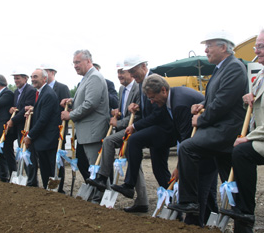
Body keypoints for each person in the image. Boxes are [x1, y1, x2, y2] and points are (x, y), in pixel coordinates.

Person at [168, 30, 248, 217]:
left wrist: (201, 119)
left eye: (209, 46)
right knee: (228, 174)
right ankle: (238, 212)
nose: (205, 50)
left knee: (187, 148)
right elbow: (215, 97)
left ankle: (189, 202)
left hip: (227, 130)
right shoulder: (222, 68)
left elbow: (222, 103)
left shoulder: (234, 68)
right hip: (219, 129)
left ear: (223, 47)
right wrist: (202, 104)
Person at [143, 74, 217, 226]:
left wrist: (179, 167)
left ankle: (193, 223)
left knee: (198, 187)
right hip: (203, 143)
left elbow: (186, 139)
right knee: (207, 189)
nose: (151, 101)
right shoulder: (172, 99)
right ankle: (210, 221)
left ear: (163, 90)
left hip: (206, 145)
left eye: (152, 97)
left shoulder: (180, 104)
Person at [111, 55, 174, 212]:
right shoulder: (141, 83)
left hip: (163, 130)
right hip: (154, 131)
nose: (132, 76)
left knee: (134, 140)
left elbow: (158, 113)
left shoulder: (154, 80)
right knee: (159, 170)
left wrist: (136, 126)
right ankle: (173, 204)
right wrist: (137, 106)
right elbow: (148, 105)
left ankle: (129, 184)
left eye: (133, 71)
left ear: (143, 66)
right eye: (130, 72)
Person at [220, 29, 264, 233]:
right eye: (257, 46)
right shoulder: (262, 72)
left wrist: (248, 138)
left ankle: (245, 211)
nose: (257, 51)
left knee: (242, 152)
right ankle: (243, 213)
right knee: (236, 151)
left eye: (261, 46)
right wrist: (251, 97)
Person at [86, 61, 142, 209]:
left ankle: (102, 178)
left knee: (109, 141)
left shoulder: (138, 88)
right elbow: (125, 111)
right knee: (135, 165)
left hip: (135, 130)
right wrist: (117, 113)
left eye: (122, 72)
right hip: (125, 127)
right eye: (118, 73)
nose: (119, 76)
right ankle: (142, 202)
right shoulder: (122, 89)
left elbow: (139, 115)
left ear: (130, 72)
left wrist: (120, 123)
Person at [61, 50, 109, 168]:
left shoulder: (94, 77)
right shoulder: (87, 77)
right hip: (88, 133)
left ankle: (102, 187)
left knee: (96, 168)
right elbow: (87, 98)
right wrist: (72, 101)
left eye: (78, 62)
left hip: (93, 132)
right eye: (74, 63)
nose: (75, 66)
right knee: (93, 169)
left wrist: (70, 115)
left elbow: (90, 104)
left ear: (88, 61)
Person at [24, 69, 60, 189]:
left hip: (48, 139)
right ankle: (47, 190)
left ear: (44, 79)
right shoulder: (40, 93)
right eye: (32, 77)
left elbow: (43, 120)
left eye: (35, 77)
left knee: (50, 169)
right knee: (44, 169)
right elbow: (42, 112)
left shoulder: (48, 94)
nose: (33, 79)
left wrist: (30, 136)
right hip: (43, 140)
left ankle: (54, 192)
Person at [40, 63, 70, 193]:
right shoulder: (41, 90)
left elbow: (67, 110)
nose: (44, 75)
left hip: (58, 131)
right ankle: (47, 185)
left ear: (52, 72)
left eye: (46, 72)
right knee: (45, 161)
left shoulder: (62, 88)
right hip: (44, 131)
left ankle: (59, 188)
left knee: (57, 160)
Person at [6, 69, 37, 187]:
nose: (16, 81)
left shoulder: (30, 90)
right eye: (14, 78)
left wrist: (13, 120)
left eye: (18, 78)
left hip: (27, 126)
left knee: (29, 154)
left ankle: (32, 181)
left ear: (25, 78)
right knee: (22, 153)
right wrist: (12, 110)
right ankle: (27, 178)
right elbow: (19, 108)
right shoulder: (16, 92)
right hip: (20, 127)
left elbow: (26, 108)